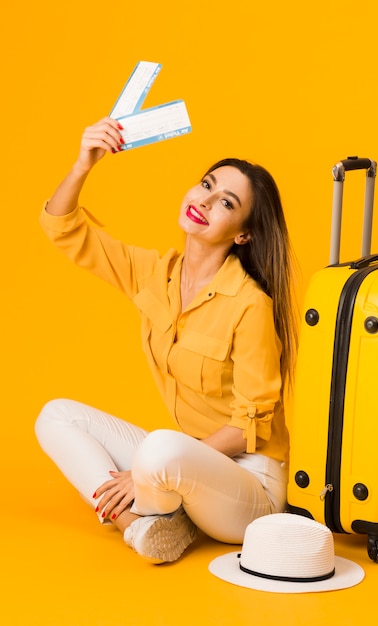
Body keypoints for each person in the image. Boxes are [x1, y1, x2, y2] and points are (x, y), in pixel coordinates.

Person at [36, 117, 298, 564]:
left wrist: (142, 472)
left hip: (249, 484)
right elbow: (65, 229)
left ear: (243, 234)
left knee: (158, 447)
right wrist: (85, 164)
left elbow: (246, 428)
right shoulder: (155, 274)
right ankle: (140, 528)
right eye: (206, 184)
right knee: (55, 416)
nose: (205, 200)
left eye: (226, 202)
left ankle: (156, 502)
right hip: (183, 462)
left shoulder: (250, 304)